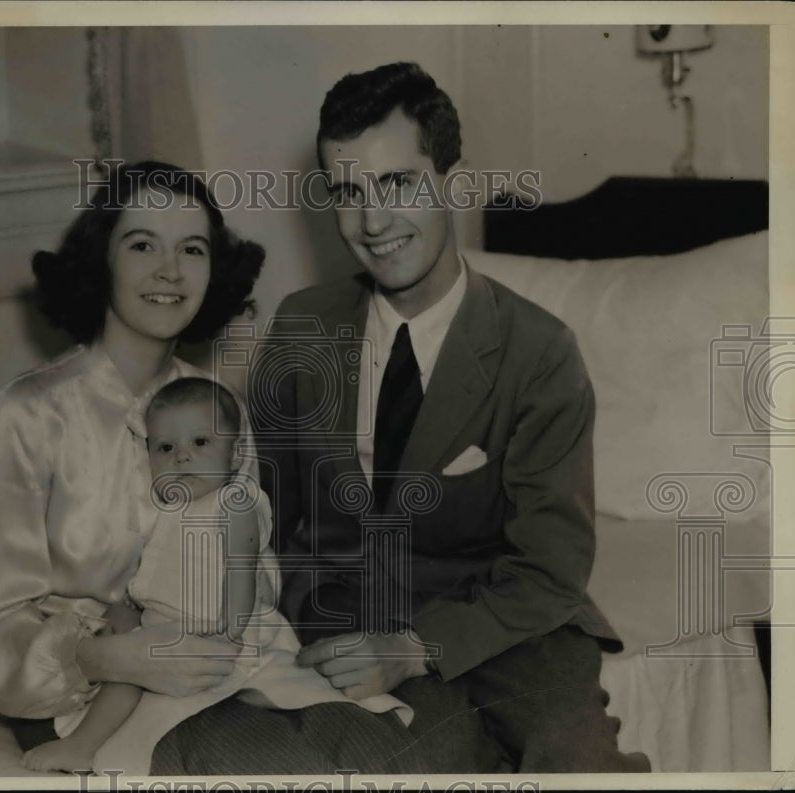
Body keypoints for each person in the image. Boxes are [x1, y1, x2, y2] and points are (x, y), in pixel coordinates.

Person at [0, 160, 457, 776]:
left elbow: (251, 565)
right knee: (279, 762)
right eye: (142, 244)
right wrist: (106, 658)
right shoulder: (29, 412)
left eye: (192, 249)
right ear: (101, 261)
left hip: (223, 654)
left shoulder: (221, 409)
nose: (170, 270)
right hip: (86, 692)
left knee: (387, 741)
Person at [254, 62, 652, 773]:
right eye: (349, 192)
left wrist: (413, 649)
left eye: (398, 183)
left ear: (453, 185)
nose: (373, 222)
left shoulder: (540, 351)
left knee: (576, 758)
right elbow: (265, 513)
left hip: (506, 617)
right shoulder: (300, 325)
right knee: (398, 757)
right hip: (347, 607)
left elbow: (549, 570)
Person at [20, 377, 408, 774]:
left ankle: (97, 744)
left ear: (236, 455)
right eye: (166, 448)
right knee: (126, 675)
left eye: (200, 442)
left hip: (226, 629)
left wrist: (230, 630)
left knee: (273, 697)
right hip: (168, 628)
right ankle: (84, 745)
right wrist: (126, 609)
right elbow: (156, 575)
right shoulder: (166, 513)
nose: (182, 457)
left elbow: (241, 572)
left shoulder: (234, 504)